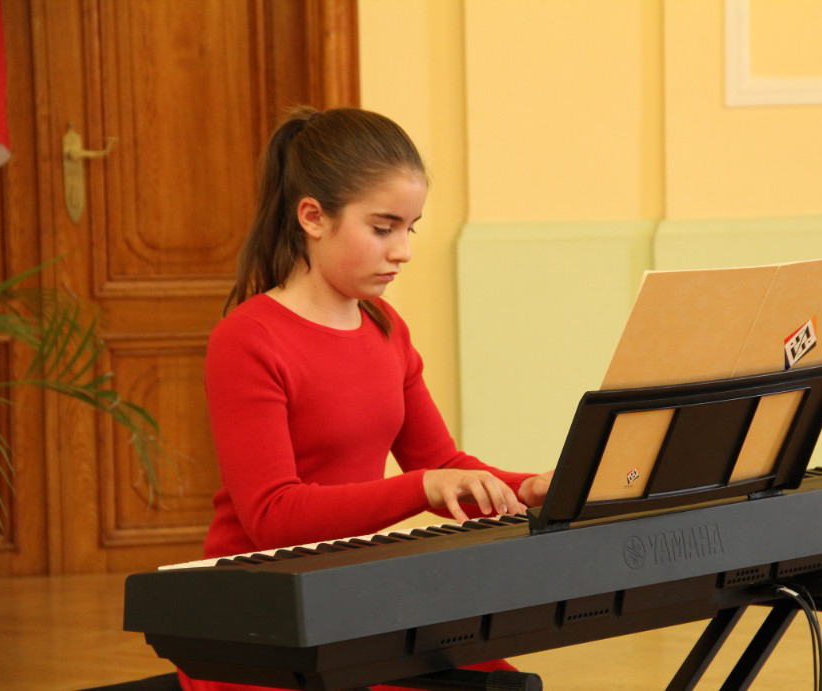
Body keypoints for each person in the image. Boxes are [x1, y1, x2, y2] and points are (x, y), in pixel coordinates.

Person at [180, 106, 552, 691]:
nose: (402, 251)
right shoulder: (247, 339)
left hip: (350, 595)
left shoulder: (385, 326)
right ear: (312, 217)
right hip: (258, 618)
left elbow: (442, 463)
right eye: (383, 228)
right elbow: (273, 517)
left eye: (411, 228)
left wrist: (525, 488)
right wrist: (422, 487)